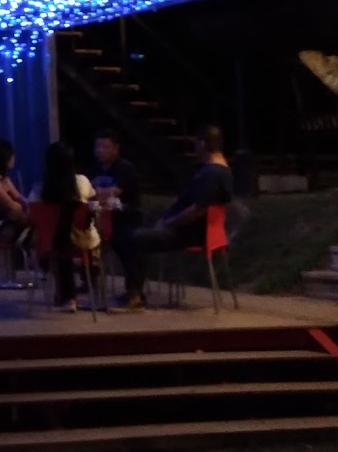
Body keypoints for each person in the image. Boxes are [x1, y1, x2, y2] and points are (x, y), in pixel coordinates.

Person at [113, 124, 233, 313]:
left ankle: (134, 296)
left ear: (203, 144)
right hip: (191, 230)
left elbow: (196, 211)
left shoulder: (212, 174)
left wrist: (167, 223)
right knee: (129, 234)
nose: (195, 148)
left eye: (196, 144)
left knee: (129, 238)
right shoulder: (219, 171)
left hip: (187, 233)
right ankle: (134, 291)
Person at [39, 141, 100, 311]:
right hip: (83, 239)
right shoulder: (82, 181)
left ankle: (65, 294)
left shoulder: (42, 188)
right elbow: (93, 203)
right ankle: (90, 272)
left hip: (51, 242)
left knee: (58, 244)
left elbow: (33, 212)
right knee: (66, 241)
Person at [88, 128, 144, 305]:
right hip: (99, 218)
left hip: (125, 217)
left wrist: (96, 193)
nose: (100, 150)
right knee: (83, 237)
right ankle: (87, 281)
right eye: (97, 146)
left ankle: (134, 291)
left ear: (116, 148)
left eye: (105, 146)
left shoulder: (125, 168)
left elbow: (111, 192)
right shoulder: (93, 168)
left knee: (126, 241)